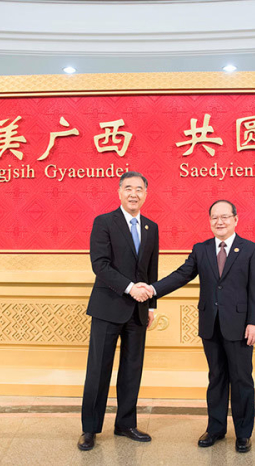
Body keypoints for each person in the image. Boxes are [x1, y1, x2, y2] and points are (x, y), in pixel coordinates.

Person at [148, 200, 255, 453]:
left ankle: (243, 433)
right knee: (216, 378)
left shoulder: (250, 250)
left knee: (242, 379)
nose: (219, 222)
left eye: (225, 217)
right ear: (209, 220)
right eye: (214, 217)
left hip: (240, 327)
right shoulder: (201, 249)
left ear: (235, 219)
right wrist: (152, 290)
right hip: (210, 325)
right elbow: (181, 275)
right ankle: (215, 428)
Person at [78, 171, 158, 451]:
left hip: (138, 311)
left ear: (145, 193)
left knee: (132, 370)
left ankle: (125, 424)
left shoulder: (151, 227)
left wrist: (151, 305)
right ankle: (90, 429)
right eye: (128, 188)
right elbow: (99, 264)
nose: (134, 194)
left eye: (139, 189)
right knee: (98, 369)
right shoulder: (104, 222)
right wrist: (130, 288)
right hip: (107, 307)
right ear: (119, 192)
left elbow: (151, 268)